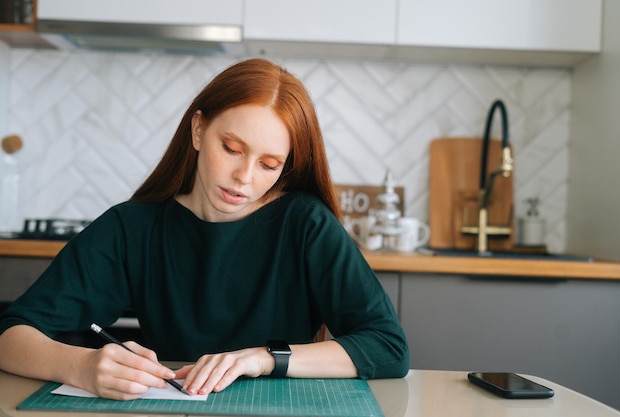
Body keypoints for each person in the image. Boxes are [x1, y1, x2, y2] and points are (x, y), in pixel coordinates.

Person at [0, 58, 409, 400]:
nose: (243, 177)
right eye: (231, 149)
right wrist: (82, 365)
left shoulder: (305, 223)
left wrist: (262, 358)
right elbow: (10, 334)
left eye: (269, 165)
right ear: (198, 130)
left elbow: (388, 348)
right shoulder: (133, 226)